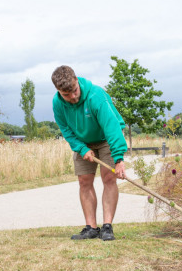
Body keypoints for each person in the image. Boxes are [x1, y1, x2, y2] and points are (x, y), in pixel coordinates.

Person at [51, 65, 128, 241]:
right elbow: (66, 130)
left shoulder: (96, 96)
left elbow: (112, 127)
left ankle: (107, 227)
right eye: (66, 95)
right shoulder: (57, 103)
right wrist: (82, 148)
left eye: (74, 91)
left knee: (109, 178)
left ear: (76, 80)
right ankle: (91, 228)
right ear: (58, 91)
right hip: (83, 142)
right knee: (84, 181)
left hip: (106, 138)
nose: (72, 97)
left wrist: (118, 158)